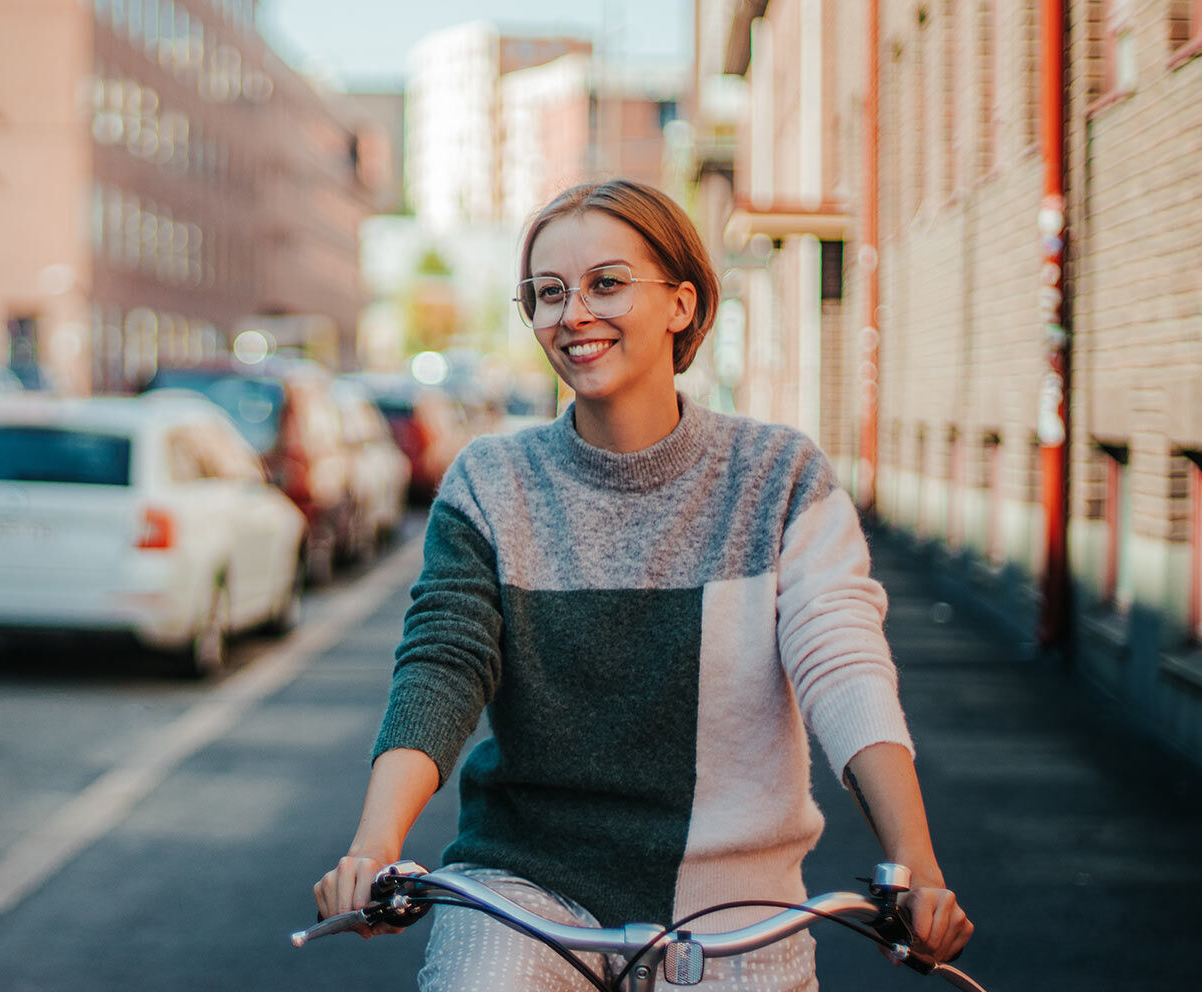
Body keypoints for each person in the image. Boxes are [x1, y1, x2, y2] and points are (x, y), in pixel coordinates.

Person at [313, 179, 972, 991]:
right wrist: (375, 848)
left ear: (682, 304)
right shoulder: (490, 481)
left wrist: (919, 866)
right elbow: (442, 664)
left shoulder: (779, 476)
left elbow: (841, 662)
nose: (573, 313)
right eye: (547, 293)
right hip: (525, 895)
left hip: (738, 908)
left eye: (607, 283)